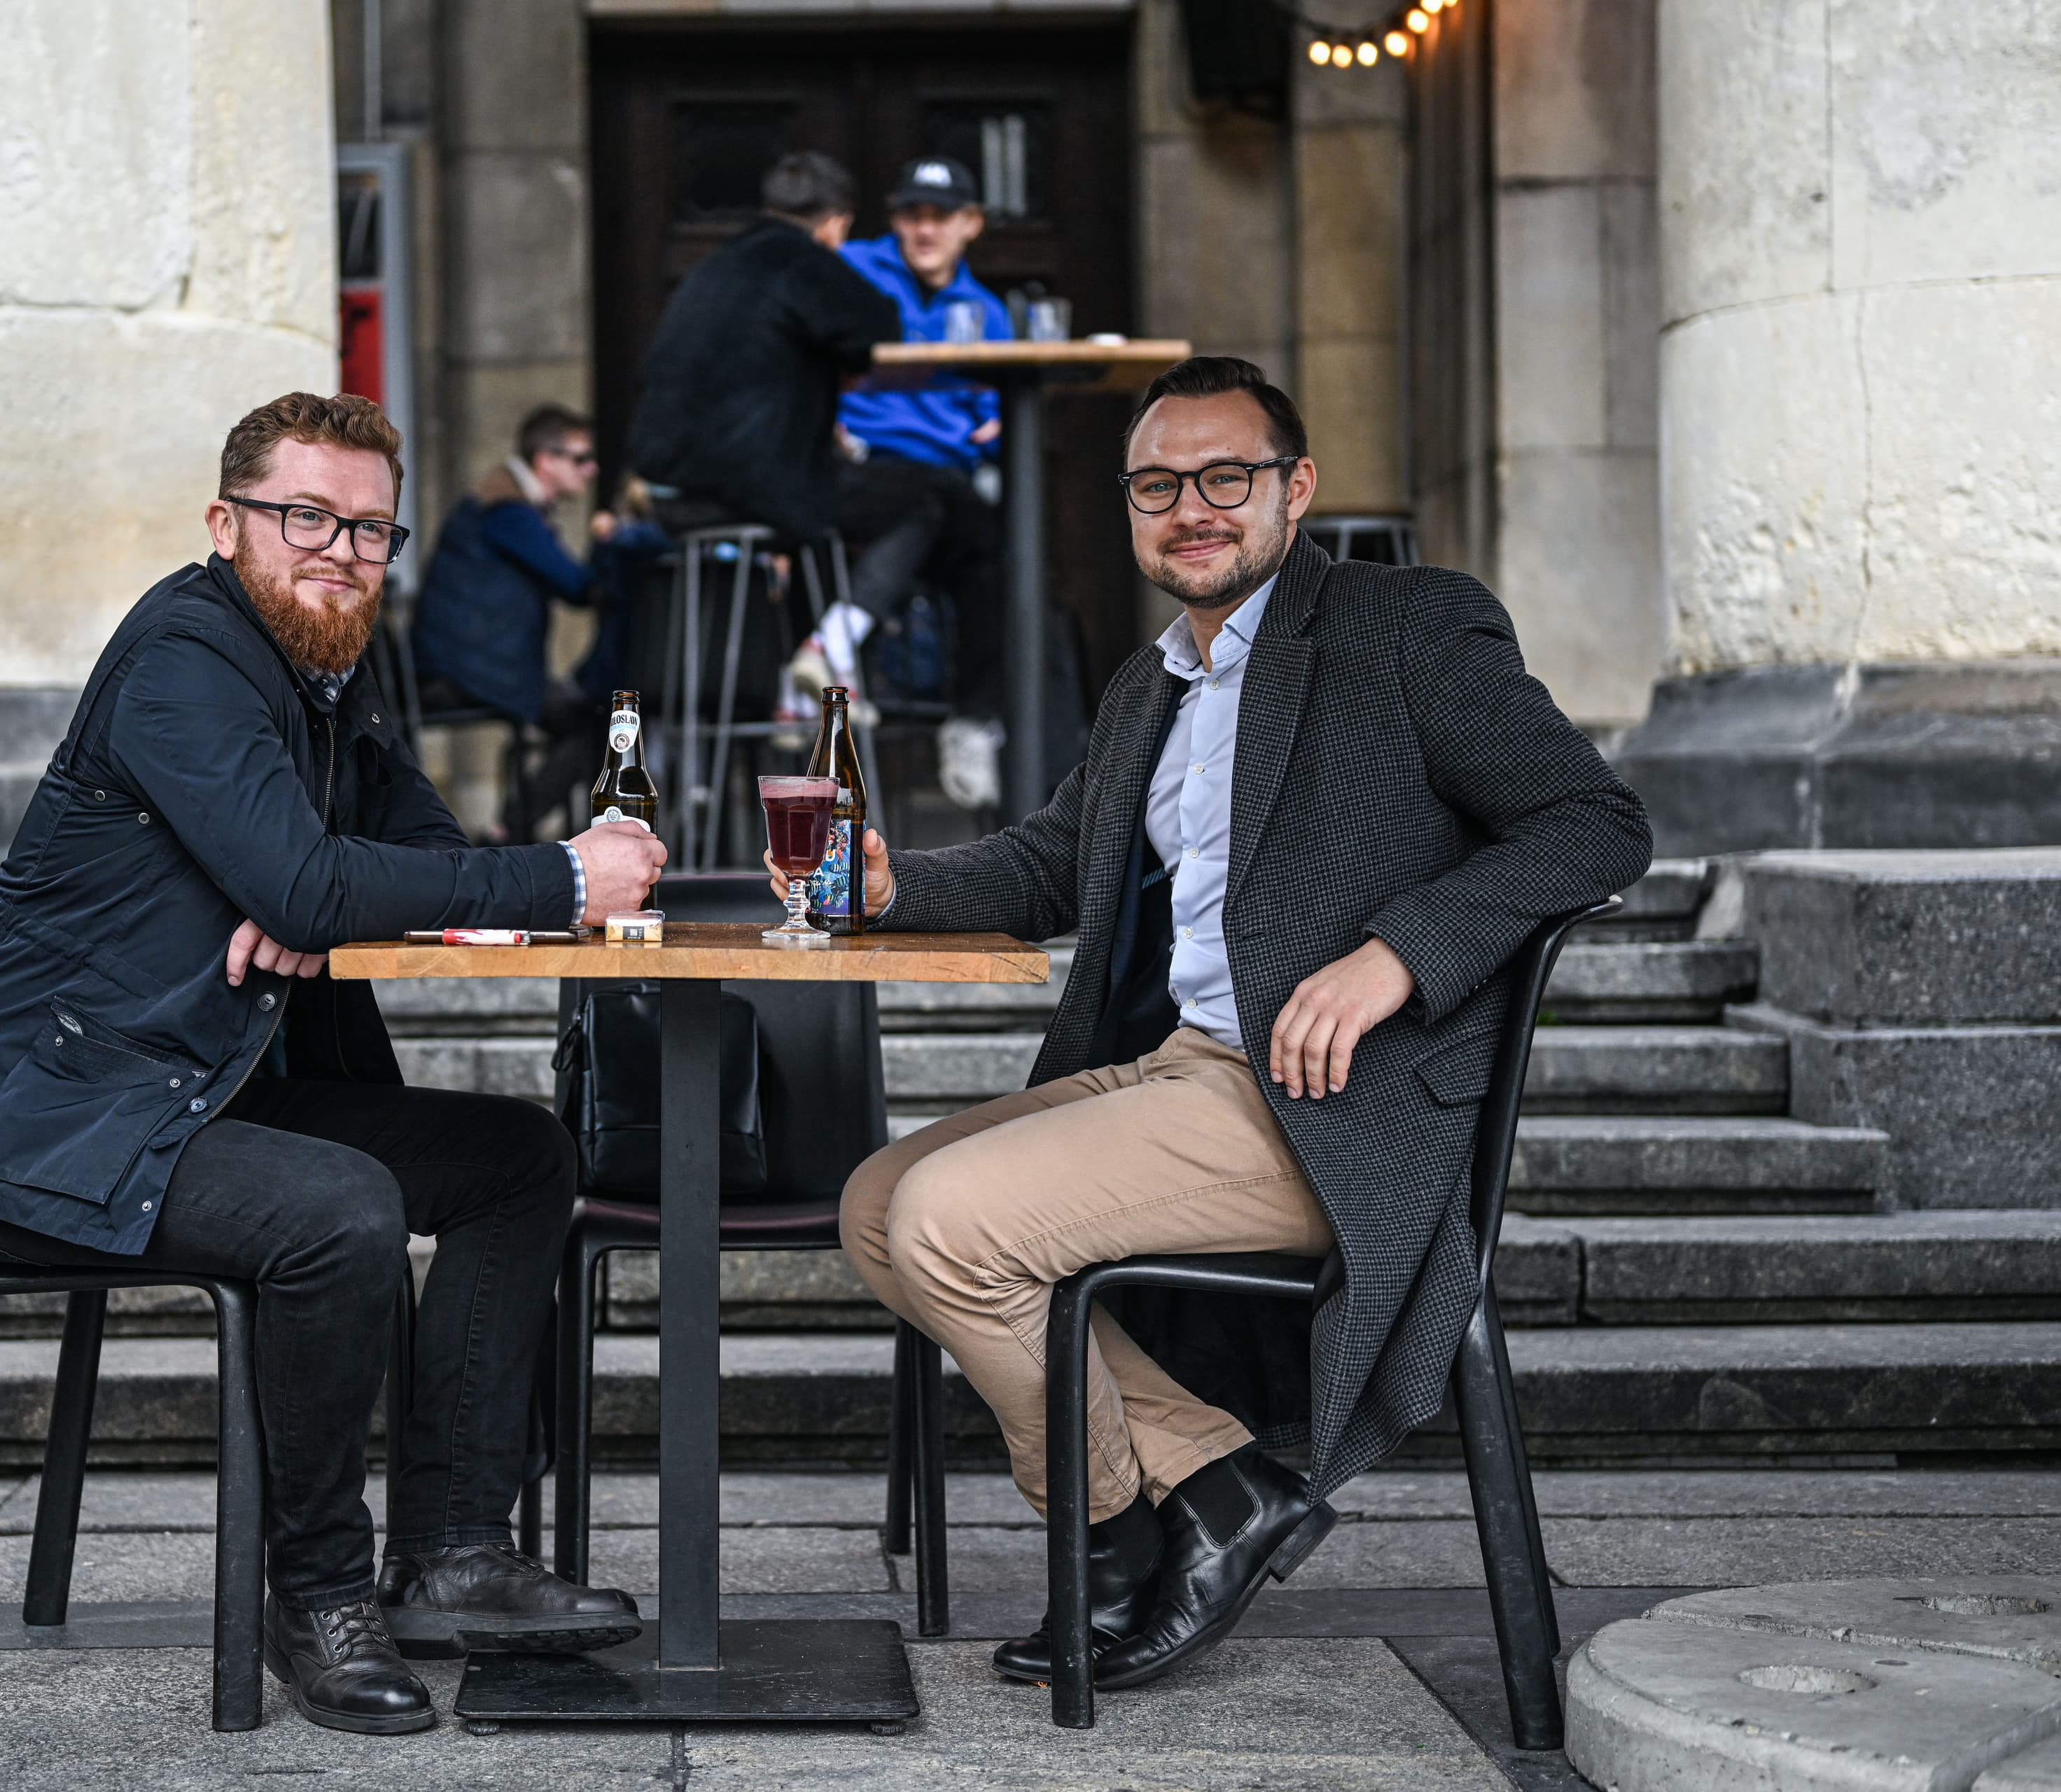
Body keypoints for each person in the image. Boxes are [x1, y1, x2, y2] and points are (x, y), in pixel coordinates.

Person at [775, 358, 1652, 1693]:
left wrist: (1396, 960)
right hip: (1189, 1072)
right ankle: (1219, 1495)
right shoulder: (1152, 684)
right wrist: (897, 890)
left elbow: (1596, 824)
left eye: (1225, 478)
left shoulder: (1407, 627)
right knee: (879, 1202)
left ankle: (1119, 1538)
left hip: (1332, 1100)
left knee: (954, 1224)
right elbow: (1054, 866)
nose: (1192, 508)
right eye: (1156, 485)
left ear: (1295, 489)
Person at [0, 393, 665, 1737]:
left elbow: (393, 844)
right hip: (41, 1125)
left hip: (184, 1085)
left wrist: (334, 889)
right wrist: (555, 875)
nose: (340, 549)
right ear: (226, 523)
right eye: (305, 516)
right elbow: (314, 886)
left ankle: (453, 1552)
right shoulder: (187, 656)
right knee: (336, 1210)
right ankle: (316, 1596)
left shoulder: (323, 669)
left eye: (370, 527)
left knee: (514, 1159)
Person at [627, 151, 951, 720]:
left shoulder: (710, 270)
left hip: (666, 498)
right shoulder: (803, 261)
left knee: (816, 521)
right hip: (752, 491)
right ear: (835, 224)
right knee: (926, 498)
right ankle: (831, 647)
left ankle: (796, 691)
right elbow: (876, 328)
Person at [837, 155, 1015, 808]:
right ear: (895, 220)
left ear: (971, 225)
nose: (926, 228)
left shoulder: (987, 310)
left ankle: (972, 722)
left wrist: (992, 429)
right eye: (914, 214)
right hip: (861, 471)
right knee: (941, 500)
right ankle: (831, 667)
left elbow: (992, 411)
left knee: (1000, 552)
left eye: (941, 216)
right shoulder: (853, 270)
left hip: (942, 485)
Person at [411, 403, 620, 836]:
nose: (591, 469)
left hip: (472, 666)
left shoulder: (502, 504)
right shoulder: (508, 512)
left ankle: (511, 829)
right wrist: (609, 541)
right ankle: (508, 833)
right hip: (465, 673)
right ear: (546, 460)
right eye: (580, 459)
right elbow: (577, 586)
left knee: (590, 717)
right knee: (597, 722)